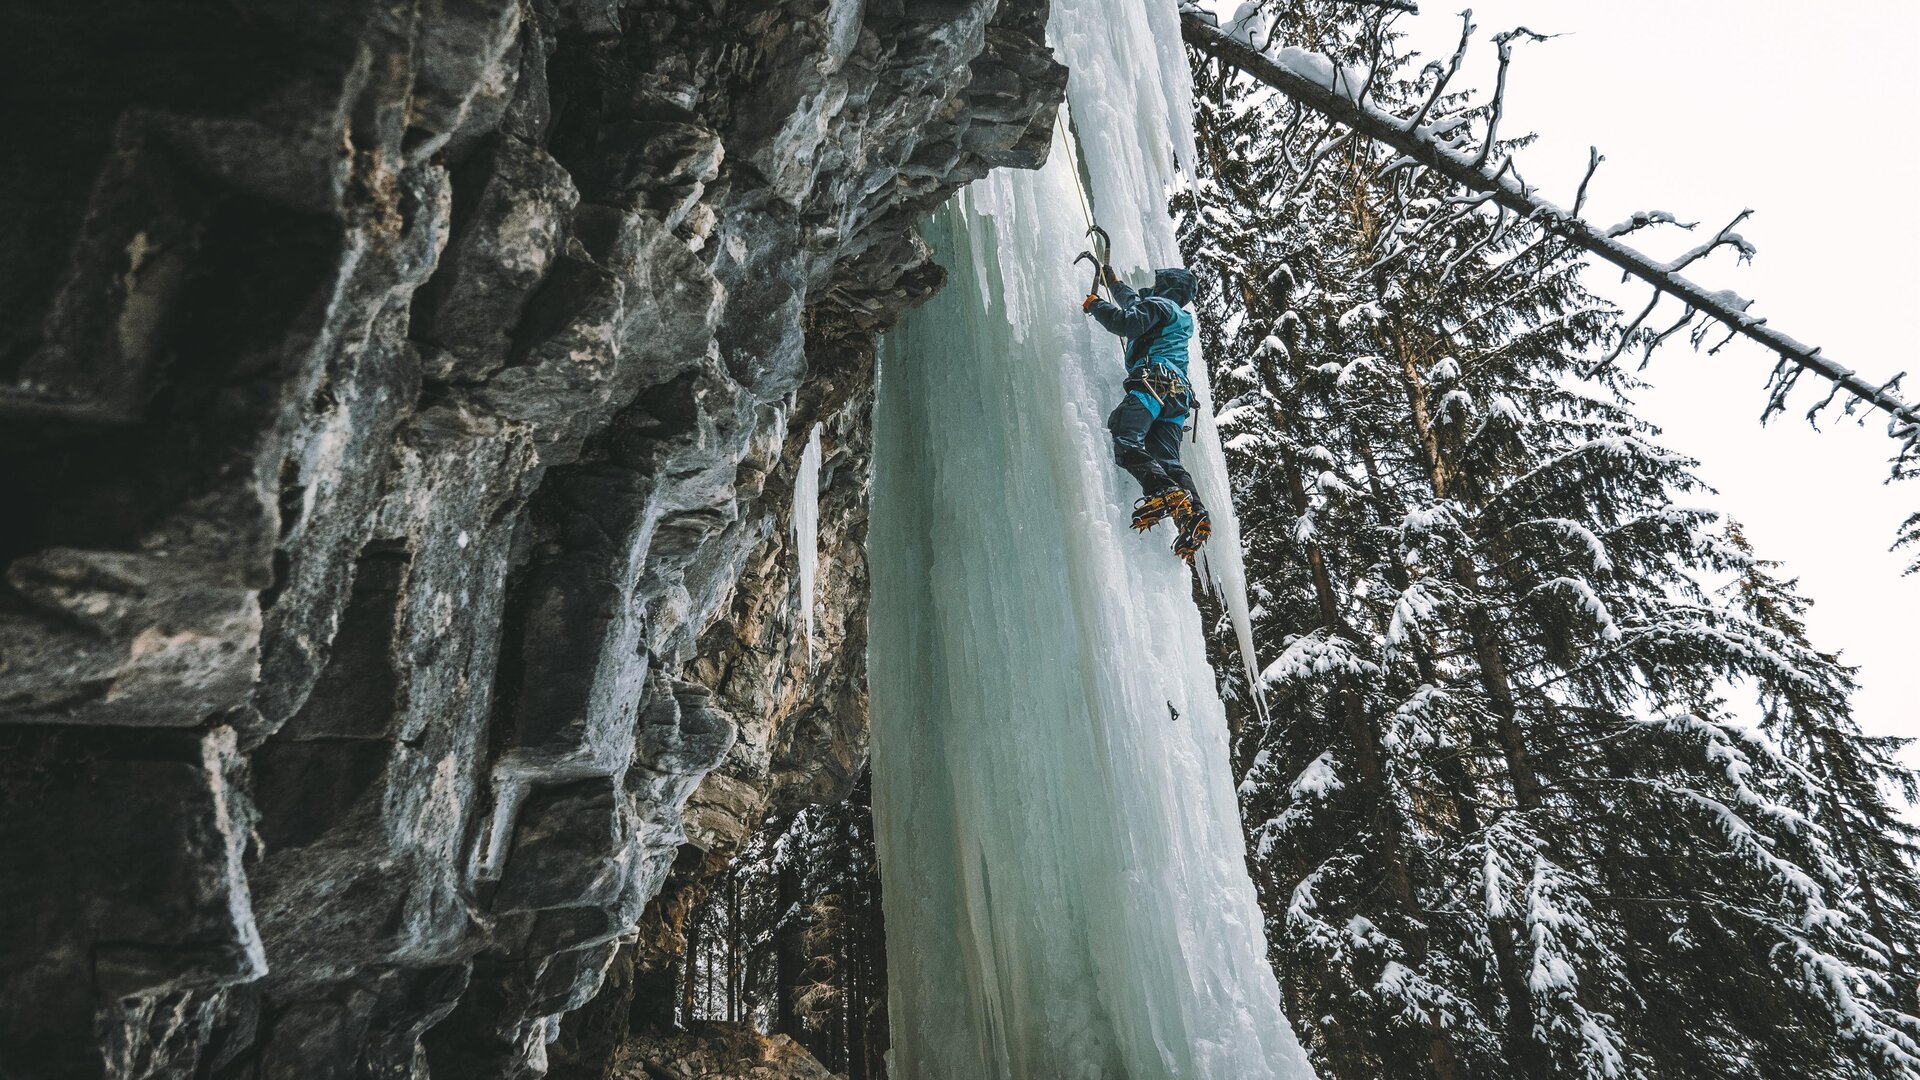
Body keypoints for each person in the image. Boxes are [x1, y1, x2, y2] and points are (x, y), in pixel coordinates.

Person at [1082, 265, 1211, 560]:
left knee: (1124, 435)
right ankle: (1195, 515)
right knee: (1168, 459)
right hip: (1179, 399)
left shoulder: (1159, 305)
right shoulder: (1177, 314)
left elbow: (1127, 322)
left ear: (1166, 287)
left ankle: (1163, 490)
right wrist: (1113, 282)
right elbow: (1134, 302)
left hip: (1156, 383)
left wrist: (1096, 305)